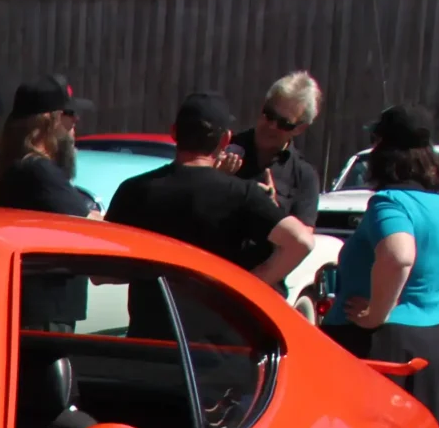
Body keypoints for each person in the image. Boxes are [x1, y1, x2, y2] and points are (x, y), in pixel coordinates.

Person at [329, 102, 439, 428]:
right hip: (436, 344)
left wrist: (376, 313)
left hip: (384, 348)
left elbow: (400, 255)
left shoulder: (390, 202)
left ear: (381, 148)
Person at [107, 91, 313, 290]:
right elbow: (301, 242)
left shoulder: (133, 190)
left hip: (154, 313)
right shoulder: (243, 194)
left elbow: (102, 274)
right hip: (219, 312)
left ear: (174, 132)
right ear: (225, 140)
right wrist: (247, 287)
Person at [218, 70, 324, 228]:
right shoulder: (224, 148)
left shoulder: (304, 176)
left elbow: (303, 237)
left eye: (283, 123)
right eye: (269, 114)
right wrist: (217, 178)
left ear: (299, 128)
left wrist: (272, 211)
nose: (272, 126)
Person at [0, 76, 98, 216]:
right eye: (69, 113)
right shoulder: (37, 170)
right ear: (48, 121)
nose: (76, 119)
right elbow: (88, 224)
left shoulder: (18, 166)